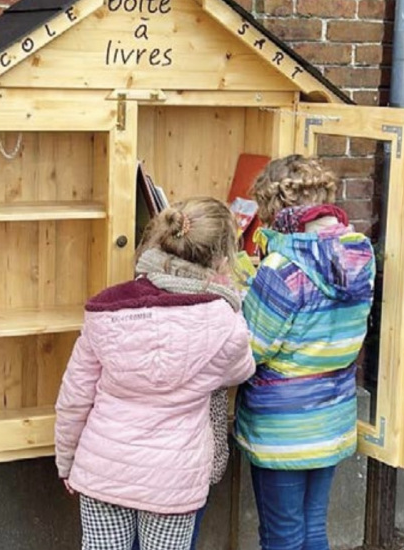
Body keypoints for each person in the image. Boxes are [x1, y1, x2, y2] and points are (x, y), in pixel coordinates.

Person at [55, 197, 256, 550]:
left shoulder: (106, 309)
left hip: (103, 469)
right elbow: (241, 370)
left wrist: (67, 462)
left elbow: (74, 398)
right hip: (175, 479)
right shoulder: (225, 321)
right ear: (223, 258)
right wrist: (227, 294)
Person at [233, 155, 376, 550]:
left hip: (283, 424)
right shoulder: (360, 254)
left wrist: (246, 297)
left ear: (275, 208)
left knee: (281, 535)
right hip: (331, 414)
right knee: (313, 529)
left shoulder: (280, 268)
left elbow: (252, 350)